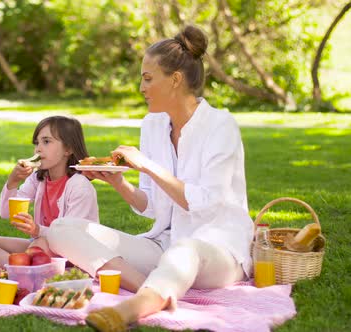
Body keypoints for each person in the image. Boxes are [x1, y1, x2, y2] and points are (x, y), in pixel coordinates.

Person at [45, 26, 254, 332]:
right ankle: (154, 288)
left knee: (186, 251)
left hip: (219, 250)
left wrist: (146, 166)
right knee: (61, 229)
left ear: (175, 79)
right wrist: (119, 183)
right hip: (165, 246)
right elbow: (153, 206)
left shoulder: (221, 125)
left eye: (147, 78)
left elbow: (206, 204)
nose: (141, 86)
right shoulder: (153, 125)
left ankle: (133, 307)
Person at [0, 116, 99, 266]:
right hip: (40, 243)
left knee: (39, 245)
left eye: (46, 141)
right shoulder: (38, 178)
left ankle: (21, 267)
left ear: (68, 149)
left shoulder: (79, 186)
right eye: (37, 143)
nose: (38, 148)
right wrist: (13, 181)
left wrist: (37, 230)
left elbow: (69, 236)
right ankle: (18, 267)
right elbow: (6, 213)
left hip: (74, 251)